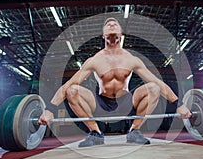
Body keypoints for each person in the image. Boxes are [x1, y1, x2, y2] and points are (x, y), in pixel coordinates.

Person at [38, 17, 192, 147]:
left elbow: (157, 82)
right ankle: (96, 133)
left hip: (126, 102)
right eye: (107, 24)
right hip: (100, 103)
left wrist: (179, 105)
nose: (111, 24)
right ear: (103, 35)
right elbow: (67, 85)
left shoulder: (132, 59)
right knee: (72, 90)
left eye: (115, 24)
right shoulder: (94, 60)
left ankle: (134, 131)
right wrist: (50, 108)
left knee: (153, 87)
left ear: (121, 34)